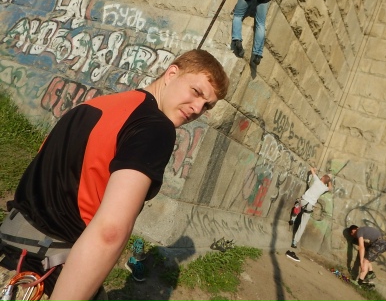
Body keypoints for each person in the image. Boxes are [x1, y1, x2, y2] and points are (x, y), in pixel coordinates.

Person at [0, 49, 229, 300]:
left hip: (8, 252)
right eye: (196, 92)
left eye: (207, 106)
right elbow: (110, 232)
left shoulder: (92, 106)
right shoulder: (156, 128)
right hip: (43, 280)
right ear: (172, 73)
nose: (197, 108)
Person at [285, 167, 332, 262]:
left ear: (322, 178)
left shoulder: (317, 180)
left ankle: (292, 219)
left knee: (297, 206)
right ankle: (294, 242)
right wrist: (329, 180)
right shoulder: (324, 188)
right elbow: (330, 188)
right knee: (303, 224)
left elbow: (311, 170)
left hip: (304, 200)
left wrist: (314, 169)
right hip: (310, 205)